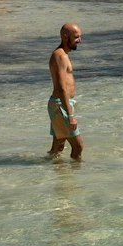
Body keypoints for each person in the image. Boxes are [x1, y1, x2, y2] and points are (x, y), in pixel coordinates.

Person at [48, 23, 84, 161]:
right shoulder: (60, 56)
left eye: (80, 36)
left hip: (61, 104)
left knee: (58, 147)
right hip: (60, 105)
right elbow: (62, 87)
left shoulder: (63, 55)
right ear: (65, 36)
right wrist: (70, 115)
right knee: (78, 146)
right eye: (76, 37)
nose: (79, 40)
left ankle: (56, 176)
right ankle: (76, 178)